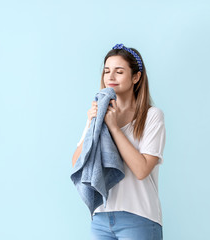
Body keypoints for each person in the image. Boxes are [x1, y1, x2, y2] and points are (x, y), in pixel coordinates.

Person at [72, 43, 166, 240]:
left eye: (119, 71)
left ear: (136, 77)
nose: (111, 77)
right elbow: (77, 163)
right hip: (101, 218)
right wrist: (93, 125)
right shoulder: (98, 116)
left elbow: (141, 170)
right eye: (107, 71)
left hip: (139, 218)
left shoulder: (151, 116)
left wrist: (114, 127)